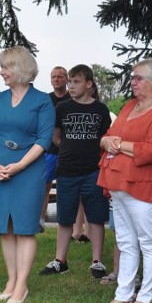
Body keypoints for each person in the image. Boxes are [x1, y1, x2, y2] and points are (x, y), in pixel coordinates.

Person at [97, 58, 152, 303]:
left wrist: (120, 145)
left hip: (145, 185)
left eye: (138, 77)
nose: (132, 81)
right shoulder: (129, 106)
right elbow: (107, 137)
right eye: (132, 77)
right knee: (125, 241)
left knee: (149, 242)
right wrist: (108, 142)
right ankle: (123, 294)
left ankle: (146, 298)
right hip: (118, 183)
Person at [0, 46, 54, 303]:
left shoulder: (42, 101)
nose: (1, 72)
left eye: (5, 67)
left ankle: (22, 286)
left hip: (28, 172)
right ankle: (11, 281)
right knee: (5, 229)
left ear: (20, 68)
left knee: (24, 229)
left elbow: (44, 140)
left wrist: (20, 165)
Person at [39, 64, 111, 279]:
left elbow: (105, 137)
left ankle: (97, 261)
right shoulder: (62, 108)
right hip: (67, 169)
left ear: (89, 84)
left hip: (93, 170)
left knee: (96, 217)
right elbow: (55, 135)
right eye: (70, 81)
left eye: (76, 81)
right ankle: (61, 260)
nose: (71, 85)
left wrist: (88, 148)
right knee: (65, 217)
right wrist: (69, 148)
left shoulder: (100, 109)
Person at [39, 66, 70, 232]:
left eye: (60, 77)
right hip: (49, 150)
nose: (56, 79)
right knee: (44, 186)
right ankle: (41, 222)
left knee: (68, 189)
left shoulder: (72, 99)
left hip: (69, 150)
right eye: (53, 77)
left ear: (66, 79)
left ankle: (67, 224)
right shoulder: (46, 99)